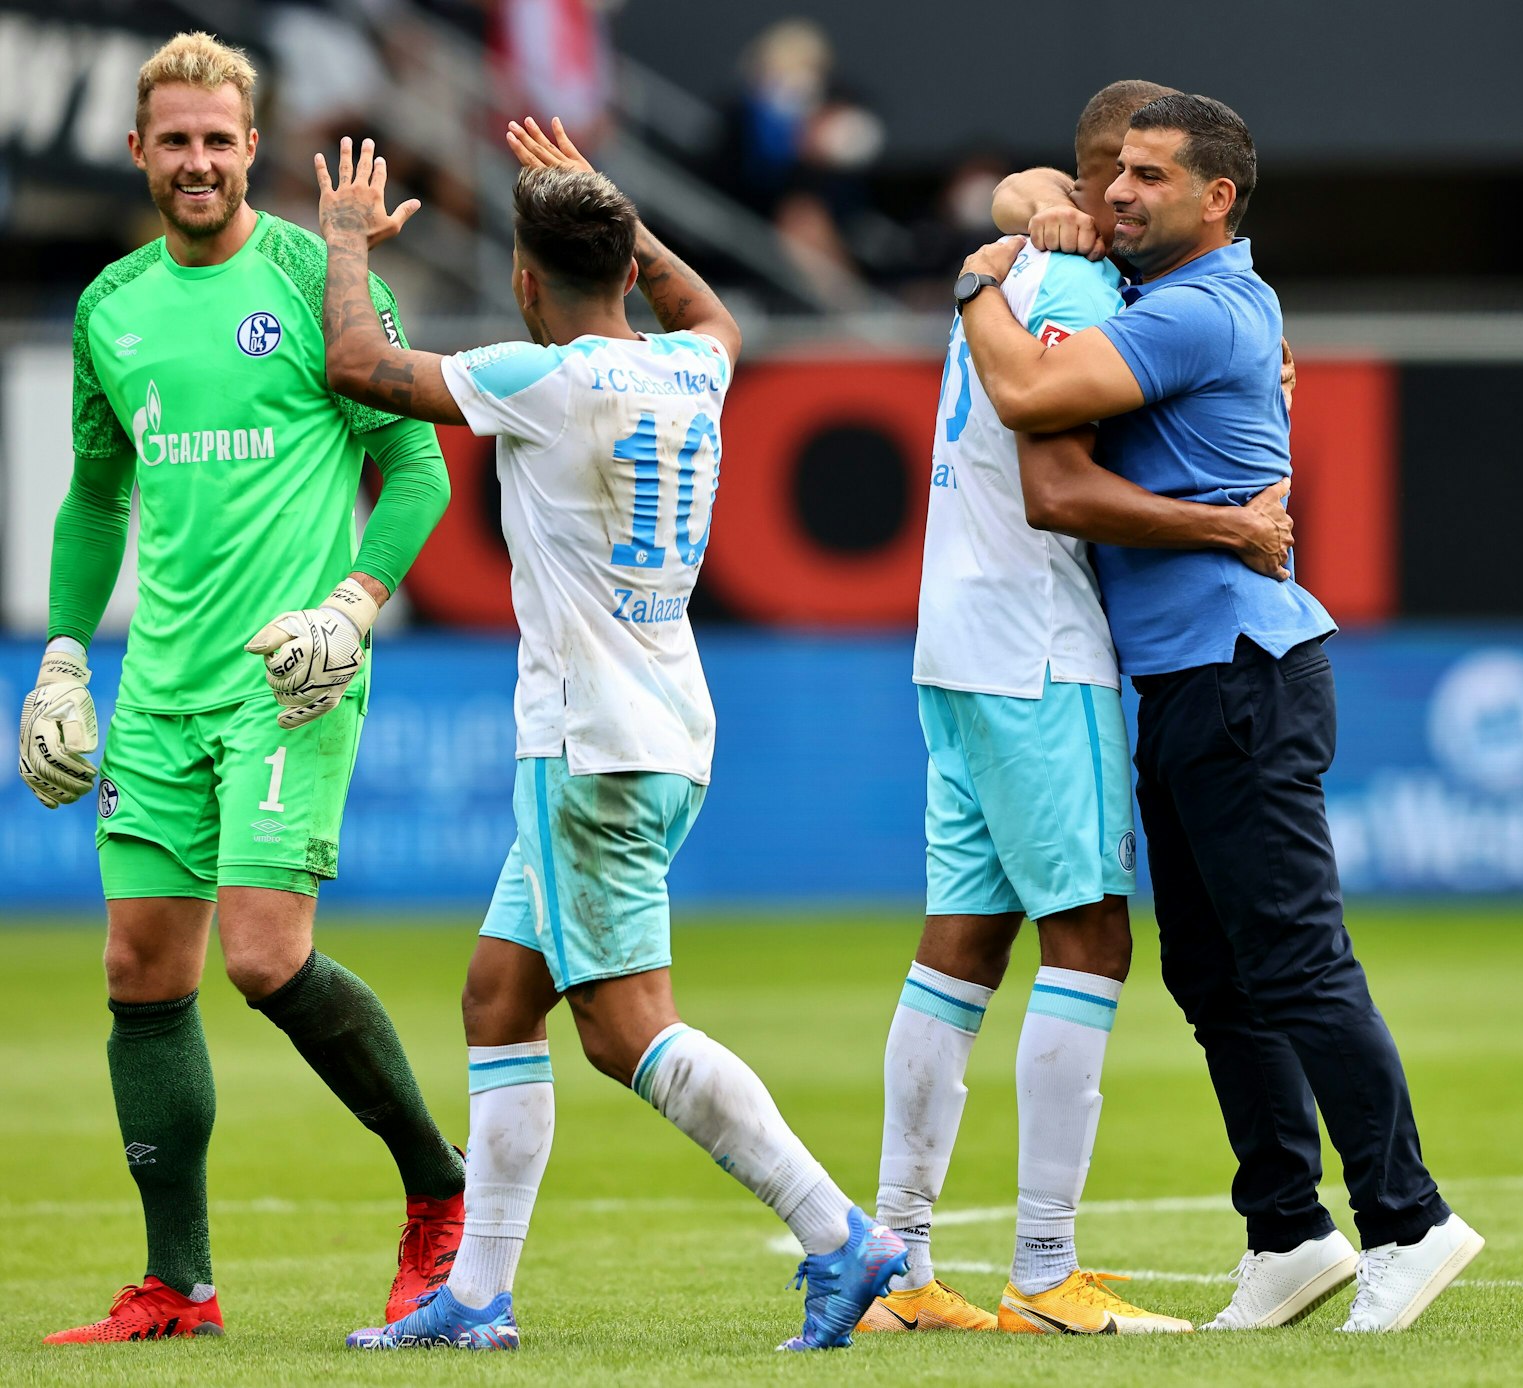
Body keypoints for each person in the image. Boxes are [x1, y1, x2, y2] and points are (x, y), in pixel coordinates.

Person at [319, 118, 906, 1353]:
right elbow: (716, 312)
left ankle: (839, 1234)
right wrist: (614, 207)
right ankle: (477, 1297)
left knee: (624, 1026)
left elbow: (361, 369)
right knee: (498, 995)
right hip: (669, 720)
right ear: (631, 267)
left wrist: (343, 244)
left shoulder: (542, 380)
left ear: (525, 282)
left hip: (588, 744)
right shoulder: (699, 364)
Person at [958, 92, 1481, 1334]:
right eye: (1115, 173)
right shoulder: (1178, 291)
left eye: (1149, 176)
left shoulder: (1198, 309)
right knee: (1213, 969)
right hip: (1197, 677)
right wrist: (1034, 207)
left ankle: (1409, 1217)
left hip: (1242, 671)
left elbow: (1032, 399)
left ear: (1218, 200)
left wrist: (978, 282)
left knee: (1293, 957)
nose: (1120, 193)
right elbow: (1035, 184)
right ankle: (1290, 1230)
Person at [18, 32, 464, 1345]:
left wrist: (351, 607)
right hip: (157, 690)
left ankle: (439, 1192)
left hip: (289, 681)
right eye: (176, 140)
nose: (198, 160)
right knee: (141, 976)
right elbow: (98, 496)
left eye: (220, 139)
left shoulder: (318, 279)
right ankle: (179, 1287)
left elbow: (420, 468)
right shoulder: (112, 306)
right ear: (139, 150)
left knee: (266, 959)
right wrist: (60, 652)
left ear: (252, 148)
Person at [862, 78, 1297, 1339]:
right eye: (1125, 177)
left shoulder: (1007, 275)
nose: (1128, 200)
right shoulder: (1083, 287)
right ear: (1100, 182)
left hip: (954, 636)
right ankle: (1046, 1270)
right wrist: (1229, 519)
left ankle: (899, 1268)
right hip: (1042, 646)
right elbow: (1058, 477)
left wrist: (1005, 223)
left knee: (959, 948)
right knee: (1093, 942)